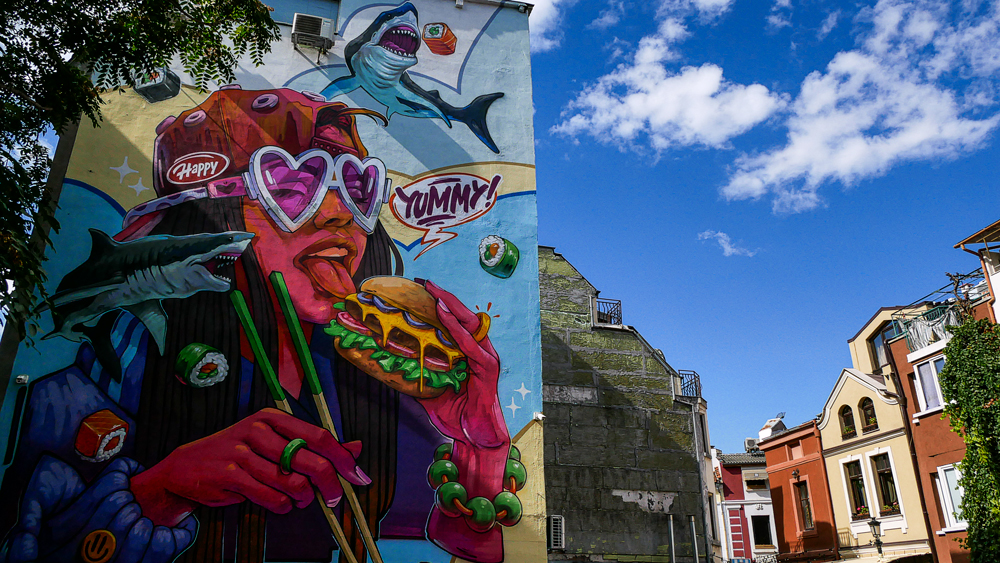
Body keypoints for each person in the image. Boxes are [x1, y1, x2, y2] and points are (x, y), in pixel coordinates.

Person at [0, 87, 510, 563]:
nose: (339, 215)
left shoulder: (374, 385)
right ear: (212, 219)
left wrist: (479, 446)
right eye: (293, 186)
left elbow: (469, 547)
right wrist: (161, 491)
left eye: (356, 188)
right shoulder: (103, 383)